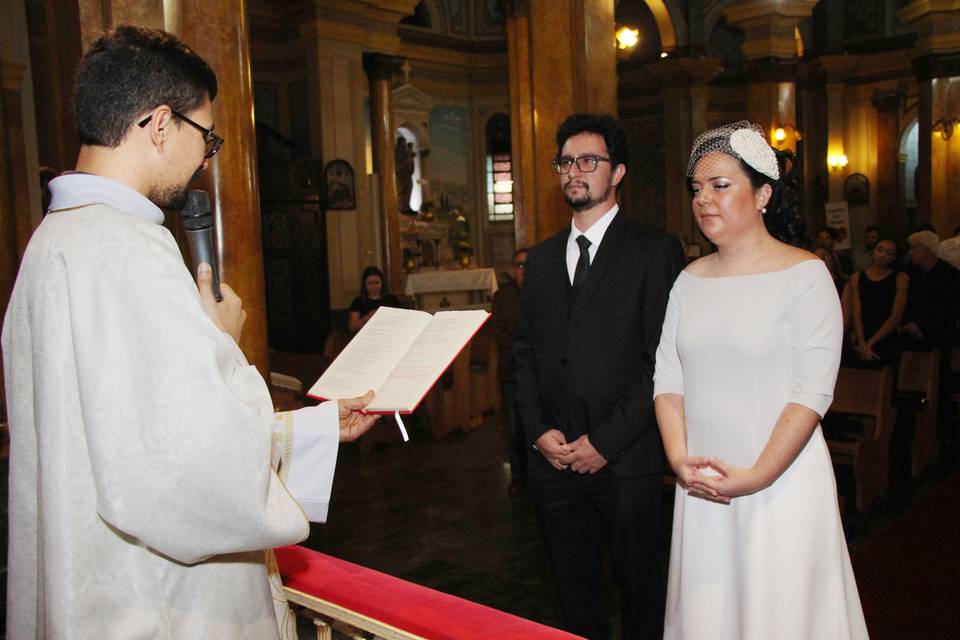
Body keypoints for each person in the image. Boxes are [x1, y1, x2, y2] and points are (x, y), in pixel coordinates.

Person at [2, 26, 379, 639]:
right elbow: (189, 474)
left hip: (94, 589)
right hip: (159, 607)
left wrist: (309, 429)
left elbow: (133, 434)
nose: (207, 156)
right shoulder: (127, 255)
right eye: (205, 136)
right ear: (158, 124)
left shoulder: (52, 245)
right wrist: (221, 342)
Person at [653, 121, 867, 639]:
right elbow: (667, 379)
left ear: (763, 193)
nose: (704, 199)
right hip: (704, 481)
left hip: (780, 480)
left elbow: (812, 393)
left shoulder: (805, 275)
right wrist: (681, 461)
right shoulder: (689, 279)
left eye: (720, 185)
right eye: (697, 189)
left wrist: (759, 475)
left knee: (782, 614)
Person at [514, 113, 684, 640]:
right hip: (555, 458)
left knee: (640, 590)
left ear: (619, 172)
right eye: (566, 161)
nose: (574, 171)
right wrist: (537, 429)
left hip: (625, 457)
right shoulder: (539, 260)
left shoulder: (654, 250)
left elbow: (663, 359)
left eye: (589, 160)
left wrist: (605, 441)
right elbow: (524, 354)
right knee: (572, 589)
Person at [491, 247, 529, 493]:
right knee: (514, 429)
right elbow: (499, 331)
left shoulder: (545, 292)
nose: (522, 270)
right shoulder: (503, 296)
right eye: (518, 265)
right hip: (512, 372)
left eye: (527, 265)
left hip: (541, 375)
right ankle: (518, 477)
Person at [845, 238, 908, 367]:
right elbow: (857, 313)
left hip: (886, 335)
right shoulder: (857, 277)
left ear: (894, 258)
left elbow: (896, 316)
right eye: (880, 250)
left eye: (889, 253)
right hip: (863, 333)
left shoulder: (901, 278)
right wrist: (862, 343)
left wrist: (870, 344)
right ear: (873, 252)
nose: (883, 255)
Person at [901, 230, 960, 348]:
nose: (910, 252)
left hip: (940, 334)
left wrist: (921, 327)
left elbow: (948, 307)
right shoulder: (910, 271)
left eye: (914, 248)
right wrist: (907, 323)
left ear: (927, 249)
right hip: (910, 329)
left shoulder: (949, 274)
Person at [348, 265, 401, 332]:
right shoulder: (358, 302)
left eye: (377, 283)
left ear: (382, 283)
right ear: (364, 285)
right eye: (370, 283)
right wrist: (367, 317)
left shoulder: (392, 299)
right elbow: (352, 327)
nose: (374, 286)